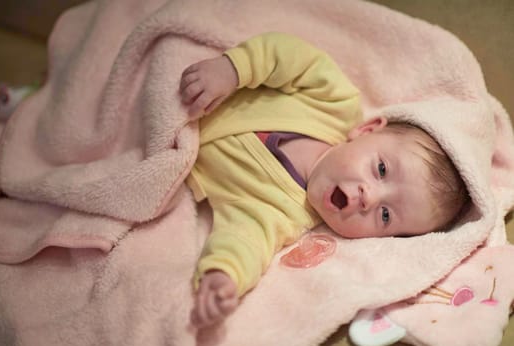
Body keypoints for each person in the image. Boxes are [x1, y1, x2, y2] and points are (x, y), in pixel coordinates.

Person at [179, 32, 468, 328]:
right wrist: (232, 70)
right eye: (381, 169)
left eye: (385, 215)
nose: (370, 197)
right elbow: (291, 57)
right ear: (367, 130)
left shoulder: (283, 214)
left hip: (171, 143)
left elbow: (244, 240)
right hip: (192, 81)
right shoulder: (334, 105)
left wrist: (224, 276)